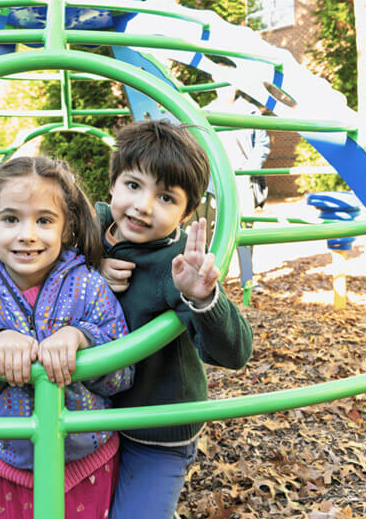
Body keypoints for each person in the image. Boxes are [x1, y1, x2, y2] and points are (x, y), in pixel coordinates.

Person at [0, 156, 133, 519]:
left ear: (65, 228)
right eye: (11, 219)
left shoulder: (89, 284)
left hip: (90, 463)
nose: (27, 234)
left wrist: (83, 338)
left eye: (44, 220)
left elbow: (122, 377)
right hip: (12, 467)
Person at [98, 120, 253, 519]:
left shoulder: (177, 264)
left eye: (166, 197)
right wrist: (90, 262)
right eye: (133, 185)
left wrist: (202, 297)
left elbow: (235, 353)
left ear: (185, 214)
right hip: (91, 422)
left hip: (157, 427)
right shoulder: (85, 229)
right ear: (112, 184)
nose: (143, 206)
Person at [206, 85, 270, 292]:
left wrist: (249, 169)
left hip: (242, 176)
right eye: (221, 81)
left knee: (246, 228)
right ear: (214, 80)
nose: (226, 87)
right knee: (211, 226)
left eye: (230, 82)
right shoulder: (205, 112)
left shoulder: (250, 111)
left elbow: (262, 144)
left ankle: (248, 279)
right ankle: (210, 277)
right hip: (214, 178)